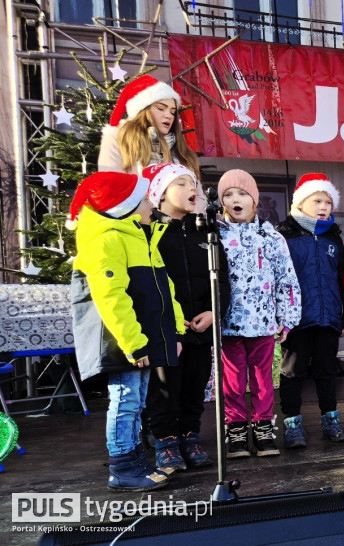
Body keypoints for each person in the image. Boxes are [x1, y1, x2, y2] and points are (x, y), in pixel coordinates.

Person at [69, 171, 184, 491]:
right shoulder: (107, 238)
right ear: (127, 206)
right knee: (125, 400)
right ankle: (122, 466)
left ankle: (134, 462)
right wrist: (133, 343)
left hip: (142, 338)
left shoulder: (140, 237)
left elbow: (165, 287)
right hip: (123, 340)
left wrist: (174, 330)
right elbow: (111, 296)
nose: (151, 204)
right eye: (146, 199)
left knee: (136, 401)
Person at [143, 163, 229, 471]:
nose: (192, 188)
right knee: (165, 387)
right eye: (182, 184)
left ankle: (190, 437)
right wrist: (171, 323)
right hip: (167, 328)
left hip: (201, 324)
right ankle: (165, 441)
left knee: (195, 384)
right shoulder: (149, 231)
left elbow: (223, 278)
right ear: (161, 194)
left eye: (193, 183)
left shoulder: (206, 229)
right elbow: (146, 284)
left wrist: (213, 312)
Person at [218, 170, 301, 457]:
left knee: (264, 381)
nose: (235, 200)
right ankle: (236, 430)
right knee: (232, 382)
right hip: (228, 325)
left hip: (264, 323)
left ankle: (264, 428)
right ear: (221, 203)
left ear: (254, 200)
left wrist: (287, 318)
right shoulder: (216, 236)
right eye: (228, 195)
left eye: (242, 194)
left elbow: (286, 278)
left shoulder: (271, 236)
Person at [275, 173, 344, 447]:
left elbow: (341, 278)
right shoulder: (284, 234)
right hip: (295, 319)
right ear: (300, 202)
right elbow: (276, 278)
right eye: (317, 200)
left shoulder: (333, 238)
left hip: (327, 317)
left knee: (326, 370)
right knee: (292, 371)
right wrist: (280, 316)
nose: (323, 207)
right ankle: (292, 424)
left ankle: (330, 420)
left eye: (328, 202)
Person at [98, 76, 201, 204]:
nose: (168, 115)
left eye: (173, 112)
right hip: (137, 220)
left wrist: (188, 218)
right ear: (143, 110)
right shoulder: (117, 138)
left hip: (179, 222)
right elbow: (111, 186)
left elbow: (199, 196)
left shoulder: (179, 148)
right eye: (161, 108)